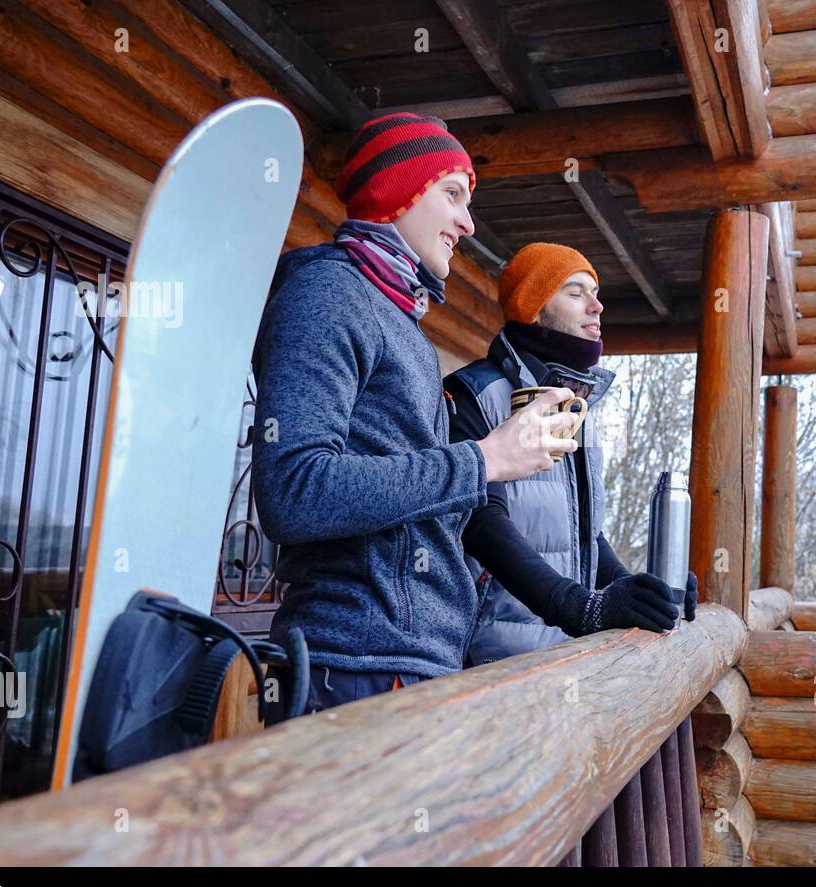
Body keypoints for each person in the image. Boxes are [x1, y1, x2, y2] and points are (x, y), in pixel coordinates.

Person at [250, 114, 577, 717]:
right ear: (396, 189)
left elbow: (420, 501)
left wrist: (580, 602)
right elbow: (291, 490)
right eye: (451, 193)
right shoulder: (327, 296)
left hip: (414, 666)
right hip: (353, 669)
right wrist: (483, 458)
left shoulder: (404, 324)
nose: (468, 221)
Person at [444, 242, 699, 665]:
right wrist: (579, 607)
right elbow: (480, 521)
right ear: (535, 307)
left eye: (595, 293)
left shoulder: (577, 406)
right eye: (575, 292)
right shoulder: (472, 394)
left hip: (560, 654)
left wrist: (635, 591)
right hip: (486, 659)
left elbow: (586, 533)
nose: (597, 306)